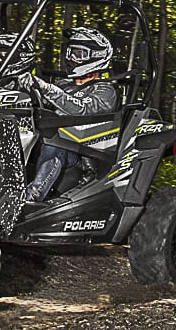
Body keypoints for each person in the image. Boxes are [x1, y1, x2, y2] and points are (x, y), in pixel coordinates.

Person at [17, 25, 119, 203]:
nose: (71, 58)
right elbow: (41, 105)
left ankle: (32, 196)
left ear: (96, 57)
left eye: (79, 54)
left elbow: (82, 110)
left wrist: (48, 89)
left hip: (82, 153)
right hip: (45, 141)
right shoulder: (64, 84)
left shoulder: (104, 89)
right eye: (70, 52)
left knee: (57, 142)